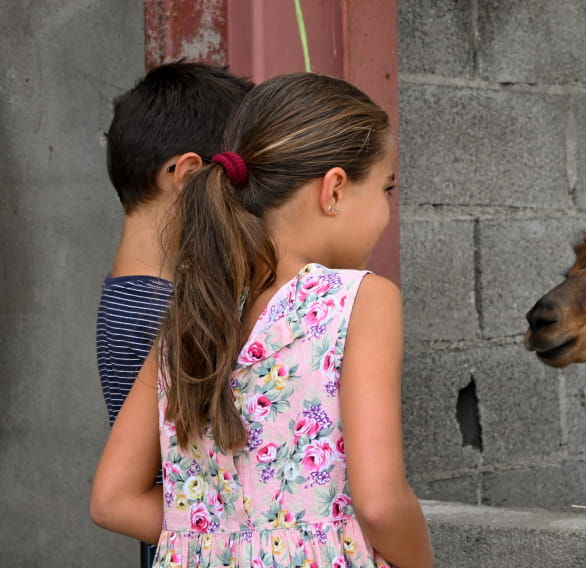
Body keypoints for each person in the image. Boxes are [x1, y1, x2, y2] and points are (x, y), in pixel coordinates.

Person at [90, 72, 433, 567]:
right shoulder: (360, 299)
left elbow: (112, 501)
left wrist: (233, 542)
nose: (386, 209)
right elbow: (379, 501)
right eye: (386, 188)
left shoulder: (193, 310)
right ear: (334, 189)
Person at [96, 61, 252, 566]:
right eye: (240, 179)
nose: (251, 204)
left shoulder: (138, 293)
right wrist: (259, 538)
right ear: (186, 175)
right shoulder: (167, 312)